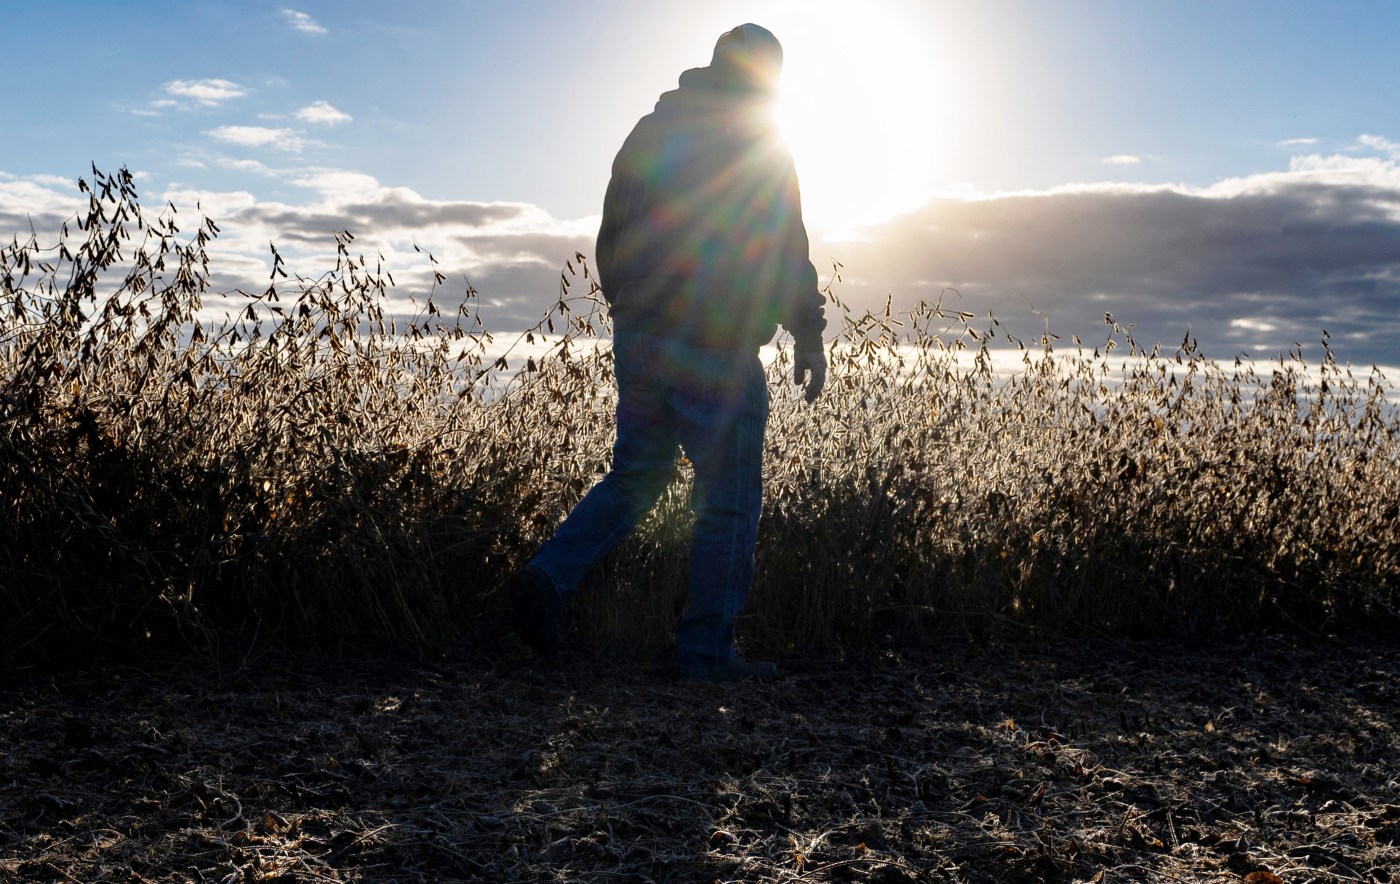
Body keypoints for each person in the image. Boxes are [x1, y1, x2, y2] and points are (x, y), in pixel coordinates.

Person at [508, 23, 827, 681]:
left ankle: (547, 577)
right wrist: (810, 332)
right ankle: (704, 653)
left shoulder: (648, 134)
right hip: (712, 341)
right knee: (729, 498)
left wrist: (631, 308)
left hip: (643, 335)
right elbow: (783, 248)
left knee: (638, 476)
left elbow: (611, 235)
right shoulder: (759, 140)